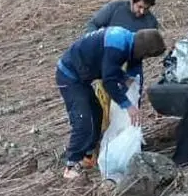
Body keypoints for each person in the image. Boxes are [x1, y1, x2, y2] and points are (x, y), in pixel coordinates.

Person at [56, 26, 166, 180]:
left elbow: (111, 69)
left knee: (96, 113)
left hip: (82, 77)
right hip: (69, 76)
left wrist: (124, 80)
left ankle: (87, 155)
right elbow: (108, 81)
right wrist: (127, 106)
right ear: (143, 51)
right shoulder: (117, 46)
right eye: (147, 56)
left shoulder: (129, 40)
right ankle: (70, 166)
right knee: (83, 119)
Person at [85, 0, 159, 34]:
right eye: (139, 7)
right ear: (132, 1)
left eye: (146, 9)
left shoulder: (151, 23)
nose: (142, 12)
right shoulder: (114, 8)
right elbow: (93, 24)